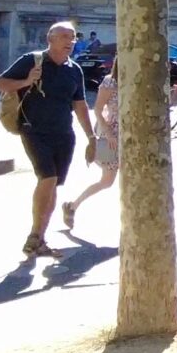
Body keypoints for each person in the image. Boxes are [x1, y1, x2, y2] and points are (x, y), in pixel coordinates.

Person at [0, 21, 95, 260]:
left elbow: (79, 105)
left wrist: (91, 136)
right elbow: (0, 83)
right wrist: (26, 81)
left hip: (64, 135)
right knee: (47, 178)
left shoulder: (74, 70)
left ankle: (39, 237)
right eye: (64, 37)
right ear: (50, 39)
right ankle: (34, 235)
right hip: (34, 131)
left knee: (53, 185)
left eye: (72, 37)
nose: (69, 41)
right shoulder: (32, 61)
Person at [60, 70, 119, 232]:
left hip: (133, 138)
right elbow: (98, 109)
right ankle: (72, 206)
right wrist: (108, 133)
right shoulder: (110, 82)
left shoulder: (137, 82)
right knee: (107, 181)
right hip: (113, 139)